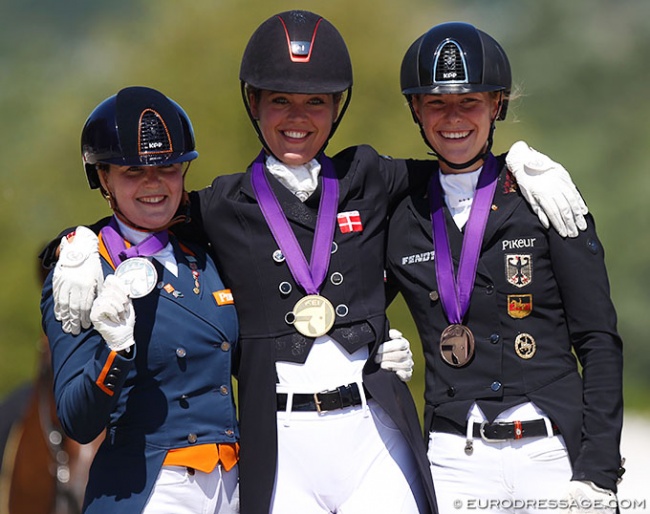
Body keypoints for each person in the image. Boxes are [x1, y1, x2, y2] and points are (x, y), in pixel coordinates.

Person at [43, 12, 589, 514]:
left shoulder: (371, 176)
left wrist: (517, 159)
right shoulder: (222, 206)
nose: (298, 119)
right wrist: (77, 245)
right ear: (254, 105)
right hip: (281, 438)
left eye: (316, 103)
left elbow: (459, 167)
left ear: (337, 108)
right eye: (281, 101)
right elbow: (145, 215)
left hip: (370, 431)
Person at [385, 22, 623, 513]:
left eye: (469, 102)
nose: (453, 118)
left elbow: (598, 339)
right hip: (454, 459)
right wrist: (376, 351)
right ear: (416, 109)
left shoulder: (545, 197)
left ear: (497, 105)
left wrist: (597, 472)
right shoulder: (402, 213)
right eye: (437, 103)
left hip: (551, 453)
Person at [41, 86, 240, 514]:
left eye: (167, 168)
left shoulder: (202, 256)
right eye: (132, 172)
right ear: (104, 179)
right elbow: (78, 421)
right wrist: (115, 351)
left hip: (232, 488)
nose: (154, 184)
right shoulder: (84, 272)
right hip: (150, 489)